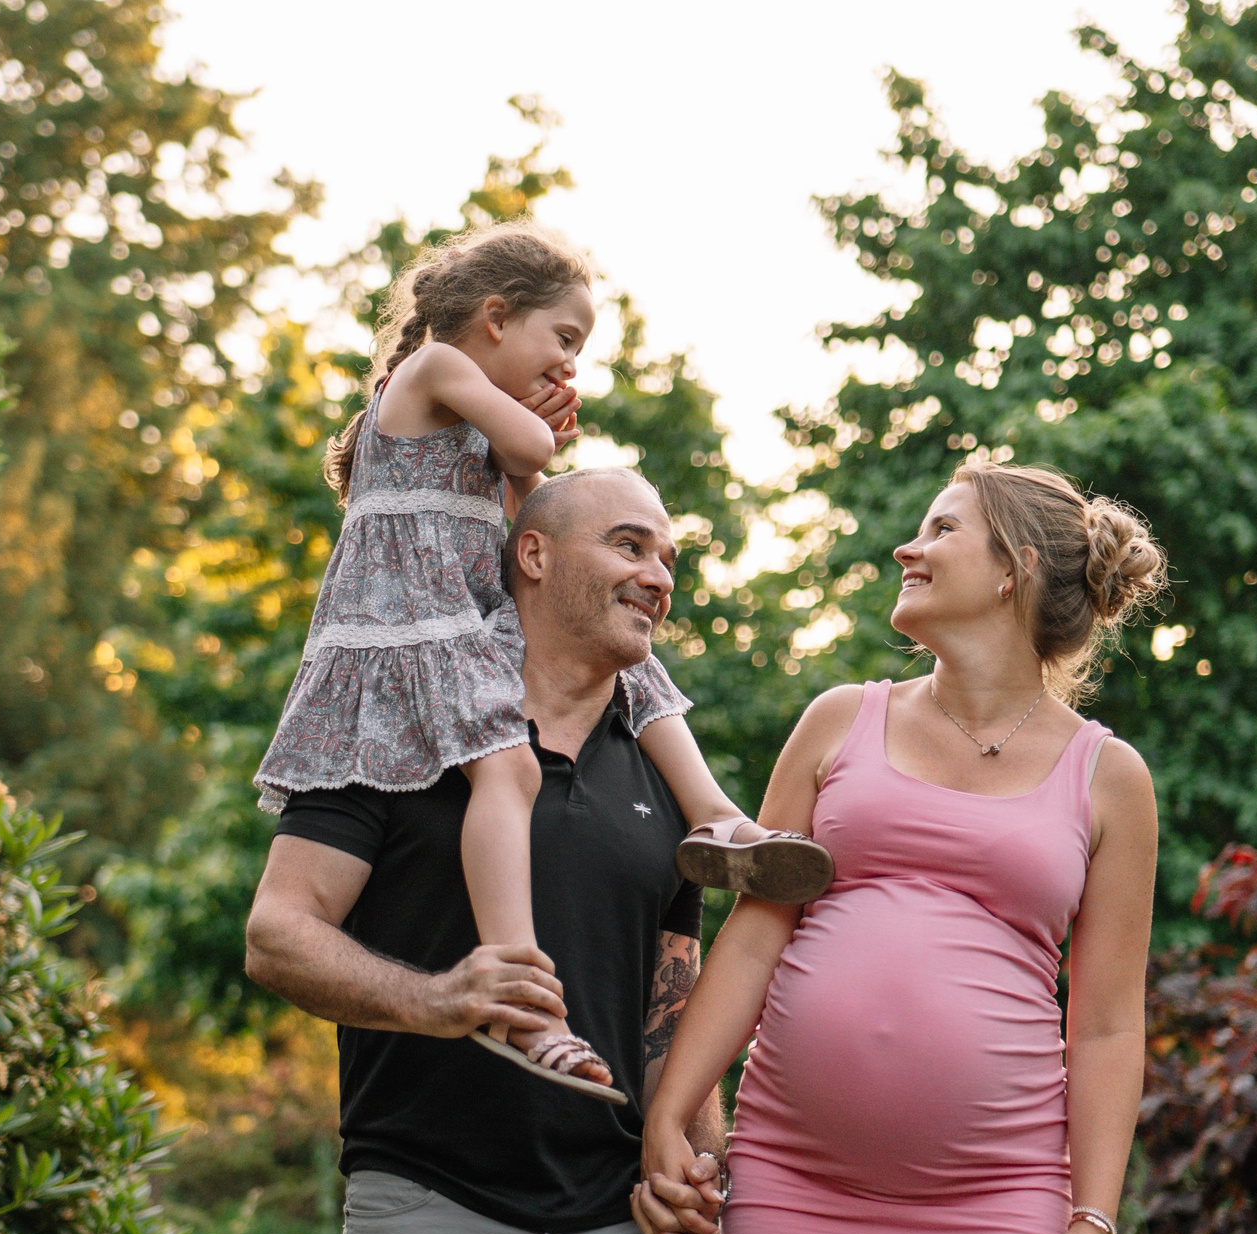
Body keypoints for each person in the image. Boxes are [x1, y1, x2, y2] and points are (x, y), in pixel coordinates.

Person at [633, 462, 1168, 1234]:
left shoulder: (1106, 776)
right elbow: (755, 934)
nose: (904, 549)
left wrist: (1092, 1218)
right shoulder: (837, 721)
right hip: (800, 1199)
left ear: (1012, 571)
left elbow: (1103, 1024)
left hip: (995, 1210)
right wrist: (670, 1107)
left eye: (938, 530)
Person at [244, 465, 730, 1234]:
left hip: (613, 1223)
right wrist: (439, 998)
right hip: (430, 1209)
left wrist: (690, 1155)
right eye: (628, 543)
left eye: (669, 555)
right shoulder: (398, 716)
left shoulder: (656, 766)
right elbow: (278, 933)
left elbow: (670, 996)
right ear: (530, 556)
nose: (657, 574)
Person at [254, 220, 828, 1103]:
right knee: (509, 775)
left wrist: (540, 450)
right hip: (415, 632)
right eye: (563, 341)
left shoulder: (473, 417)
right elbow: (533, 452)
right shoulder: (436, 368)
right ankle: (523, 991)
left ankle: (715, 815)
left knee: (629, 663)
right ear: (493, 317)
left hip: (462, 625)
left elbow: (533, 521)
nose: (570, 366)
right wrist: (542, 424)